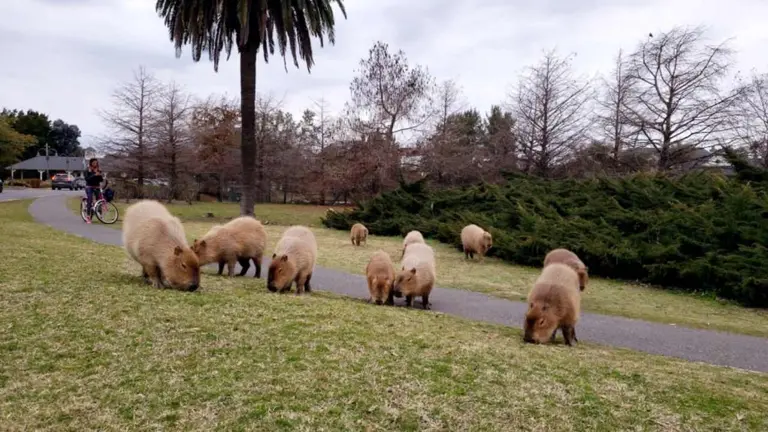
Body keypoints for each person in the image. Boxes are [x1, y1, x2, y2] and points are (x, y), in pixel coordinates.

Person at [84, 158, 103, 224]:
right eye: (94, 162)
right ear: (91, 163)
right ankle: (88, 216)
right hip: (89, 187)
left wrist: (99, 175)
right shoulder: (88, 170)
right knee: (90, 199)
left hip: (97, 187)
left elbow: (101, 180)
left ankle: (99, 213)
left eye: (96, 162)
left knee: (99, 200)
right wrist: (94, 175)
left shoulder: (98, 170)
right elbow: (87, 179)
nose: (95, 163)